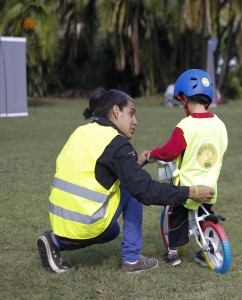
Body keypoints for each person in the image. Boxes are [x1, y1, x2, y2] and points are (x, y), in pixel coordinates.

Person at [37, 87, 215, 274]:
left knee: (113, 231)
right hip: (87, 222)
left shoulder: (81, 132)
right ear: (116, 111)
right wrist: (191, 192)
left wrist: (135, 163)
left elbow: (97, 170)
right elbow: (145, 191)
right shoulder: (116, 143)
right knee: (133, 190)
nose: (135, 121)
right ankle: (132, 259)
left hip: (60, 221)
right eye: (131, 114)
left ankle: (53, 240)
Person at [146, 69, 228, 267]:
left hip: (188, 187)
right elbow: (222, 148)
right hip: (209, 186)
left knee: (177, 215)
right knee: (204, 216)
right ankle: (204, 251)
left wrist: (153, 154)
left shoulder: (186, 125)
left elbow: (169, 152)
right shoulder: (219, 124)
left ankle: (173, 253)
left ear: (185, 98)